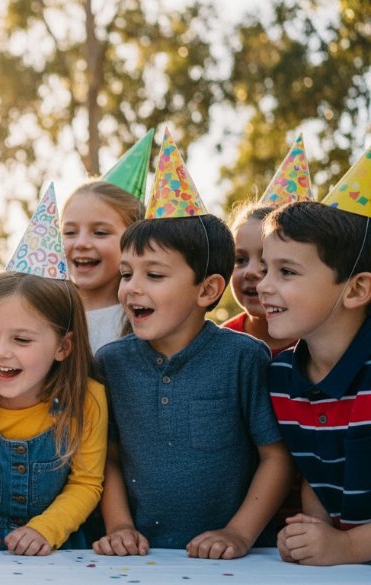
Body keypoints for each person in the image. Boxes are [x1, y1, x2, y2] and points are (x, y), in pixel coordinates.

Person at [93, 214, 292, 559]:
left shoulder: (244, 358)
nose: (131, 287)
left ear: (207, 290)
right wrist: (119, 527)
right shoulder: (112, 363)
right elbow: (107, 459)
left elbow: (275, 457)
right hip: (140, 558)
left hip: (240, 562)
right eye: (126, 274)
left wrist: (238, 533)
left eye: (154, 275)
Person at [0, 272, 106, 555]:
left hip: (60, 551)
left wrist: (46, 529)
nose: (1, 352)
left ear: (63, 347)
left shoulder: (86, 400)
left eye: (21, 339)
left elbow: (86, 483)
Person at [259, 201, 371, 565]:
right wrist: (312, 533)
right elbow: (317, 470)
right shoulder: (280, 375)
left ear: (355, 290)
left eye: (286, 271)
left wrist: (347, 547)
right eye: (266, 269)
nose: (262, 285)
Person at [61, 180, 144, 353]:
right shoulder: (48, 313)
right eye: (69, 232)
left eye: (100, 233)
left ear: (134, 239)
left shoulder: (148, 318)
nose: (81, 243)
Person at [222, 202, 296, 356]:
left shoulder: (318, 343)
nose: (251, 272)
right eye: (240, 260)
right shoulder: (218, 346)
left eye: (265, 259)